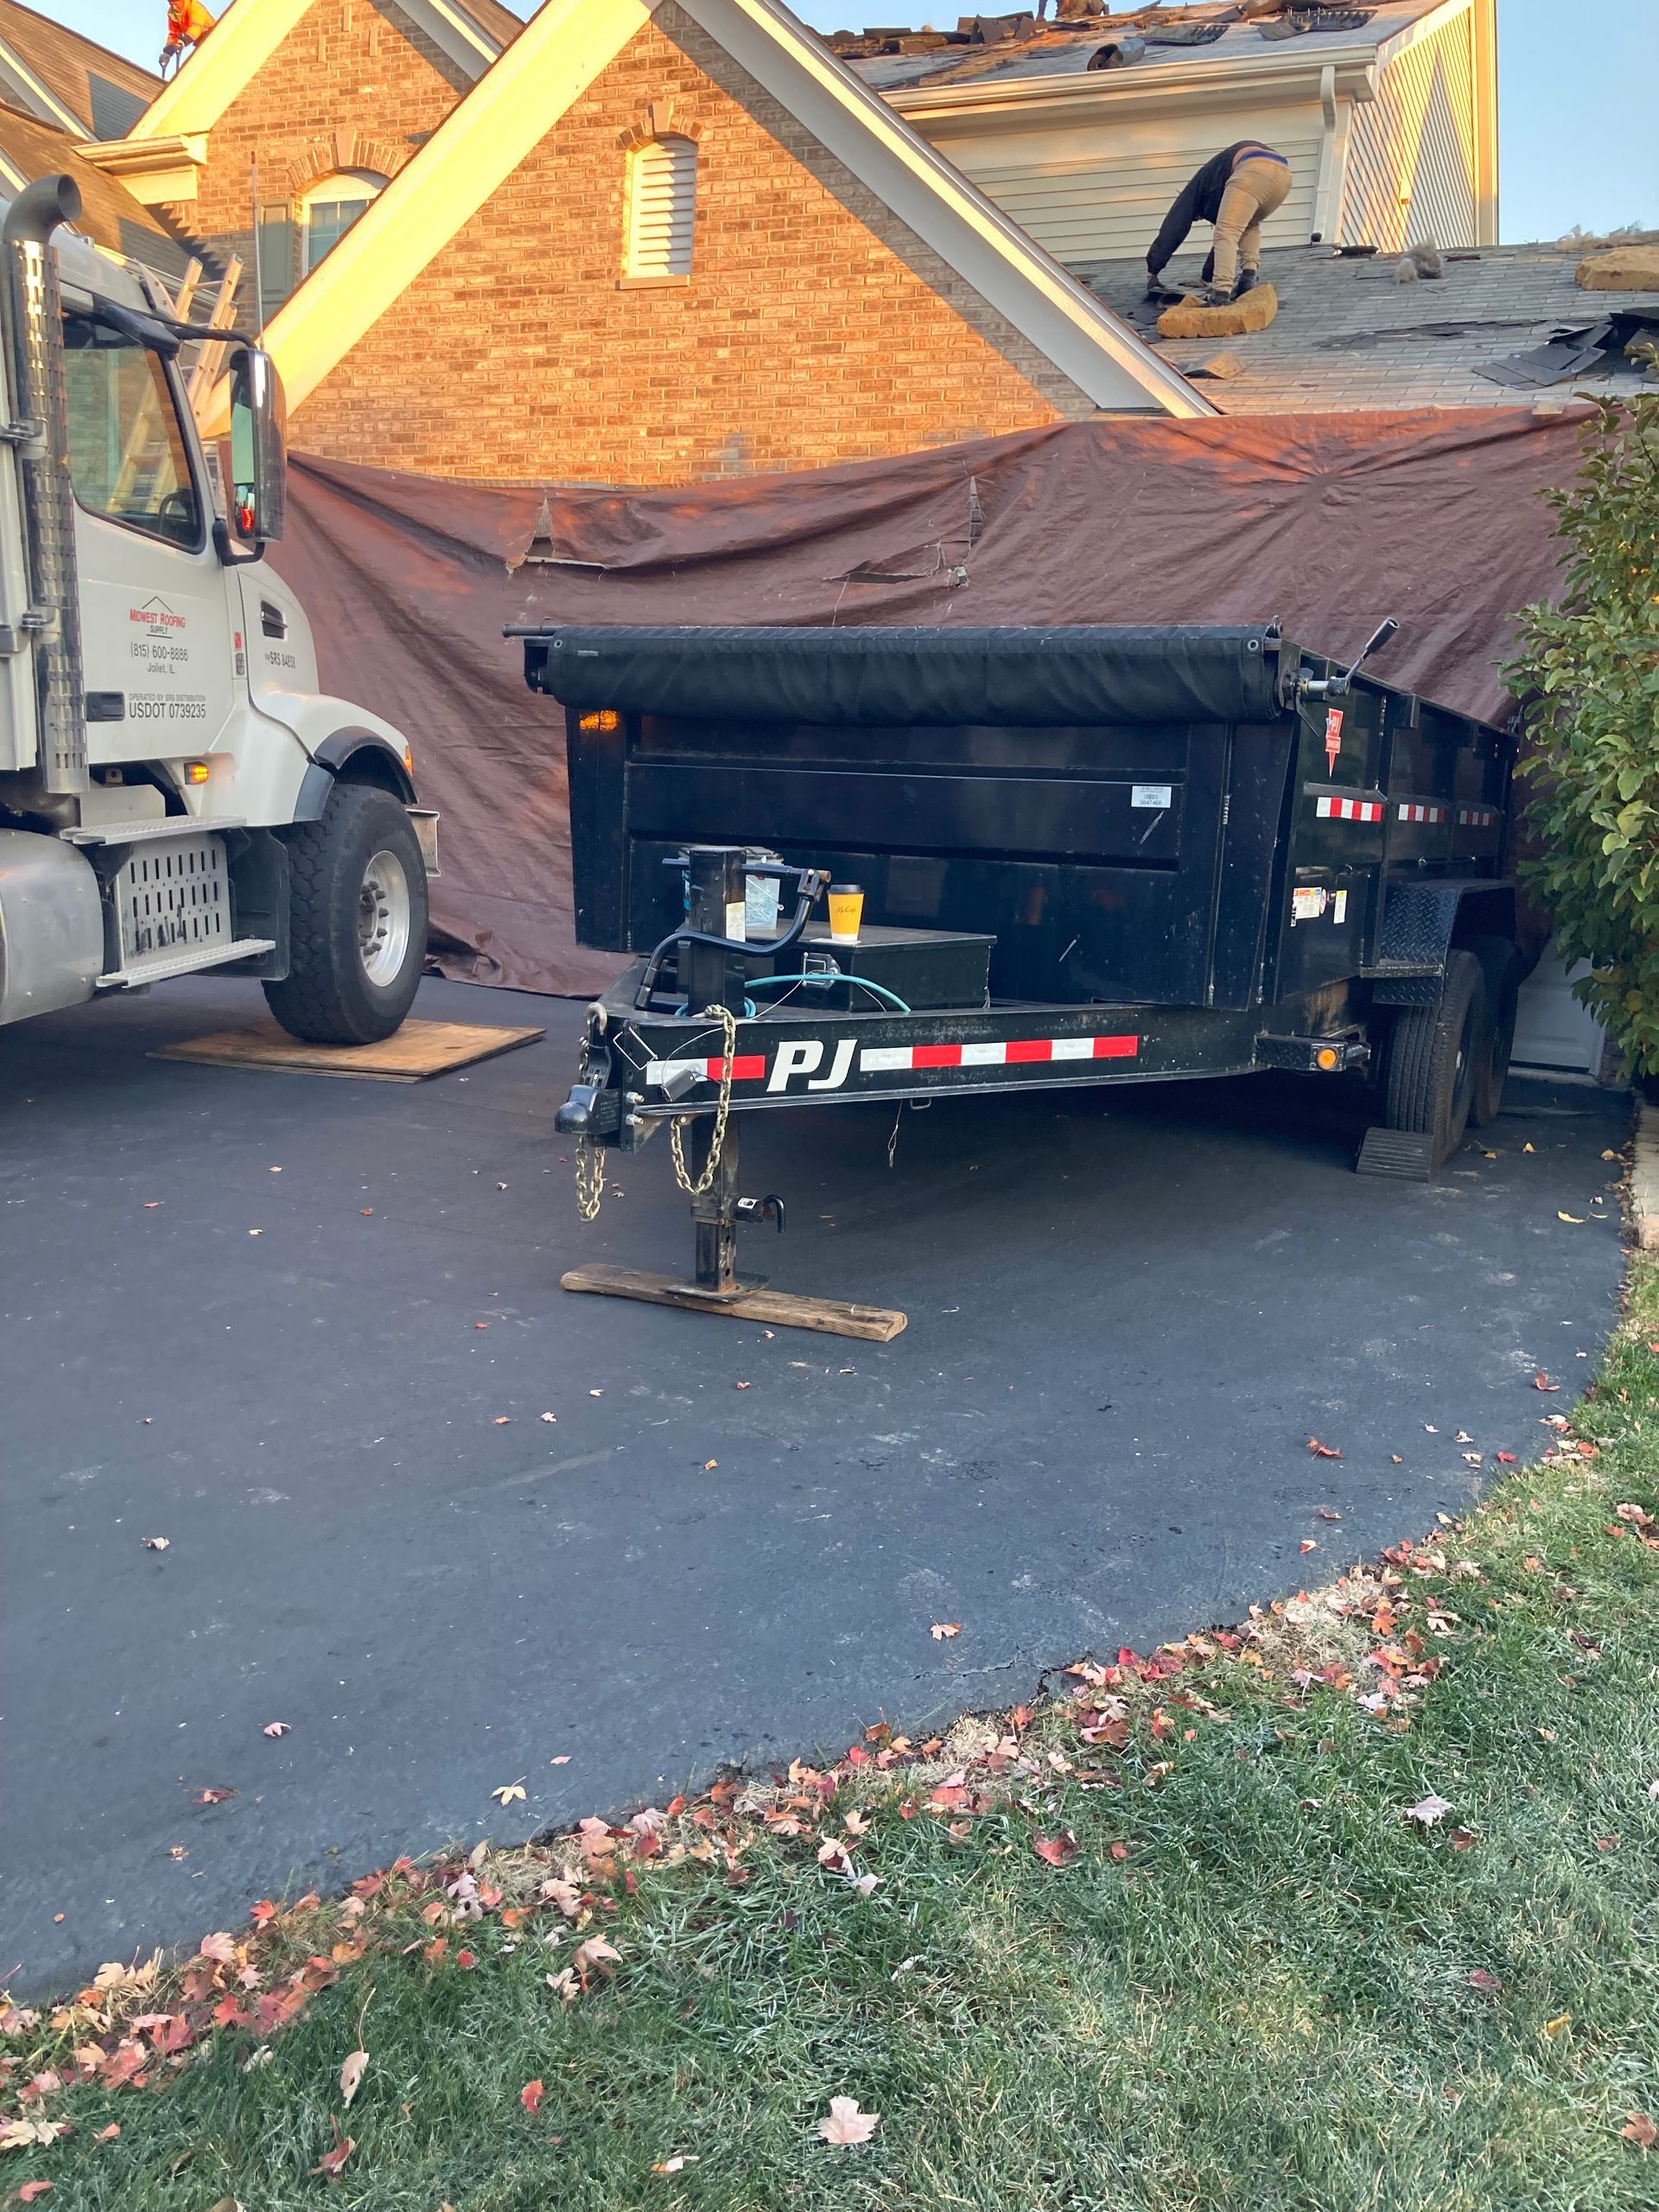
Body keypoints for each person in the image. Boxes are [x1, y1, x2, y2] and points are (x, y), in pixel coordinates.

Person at [1145, 141, 1291, 307]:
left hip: (1253, 168)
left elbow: (1174, 225)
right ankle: (1248, 278)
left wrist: (1153, 269)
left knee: (1227, 232)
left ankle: (1221, 295)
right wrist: (1205, 278)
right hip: (1283, 175)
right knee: (1249, 224)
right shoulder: (1217, 178)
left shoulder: (1196, 189)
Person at [159, 0, 215, 76]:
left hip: (213, 37)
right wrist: (168, 52)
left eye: (176, 4)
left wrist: (184, 40)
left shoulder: (195, 7)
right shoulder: (172, 14)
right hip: (199, 44)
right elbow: (174, 34)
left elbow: (196, 27)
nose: (174, 7)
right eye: (171, 4)